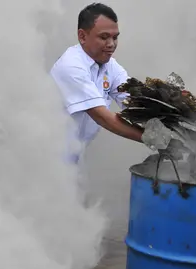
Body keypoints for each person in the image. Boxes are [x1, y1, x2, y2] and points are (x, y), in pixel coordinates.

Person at [50, 2, 143, 165]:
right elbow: (103, 117)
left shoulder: (110, 66)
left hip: (73, 159)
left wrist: (174, 127)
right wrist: (155, 140)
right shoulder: (71, 66)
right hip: (44, 158)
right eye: (104, 37)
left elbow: (136, 104)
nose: (111, 44)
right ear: (82, 36)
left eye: (115, 37)